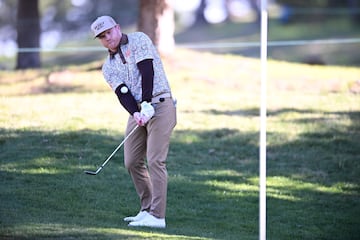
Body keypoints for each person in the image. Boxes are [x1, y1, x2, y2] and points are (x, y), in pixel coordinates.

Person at [91, 16, 176, 228]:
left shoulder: (139, 40)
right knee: (131, 161)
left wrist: (147, 103)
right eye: (101, 36)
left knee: (155, 160)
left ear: (117, 28)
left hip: (160, 104)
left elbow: (147, 70)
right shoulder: (108, 67)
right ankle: (147, 209)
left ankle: (157, 216)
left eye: (108, 32)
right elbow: (122, 92)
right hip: (139, 111)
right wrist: (135, 112)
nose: (106, 38)